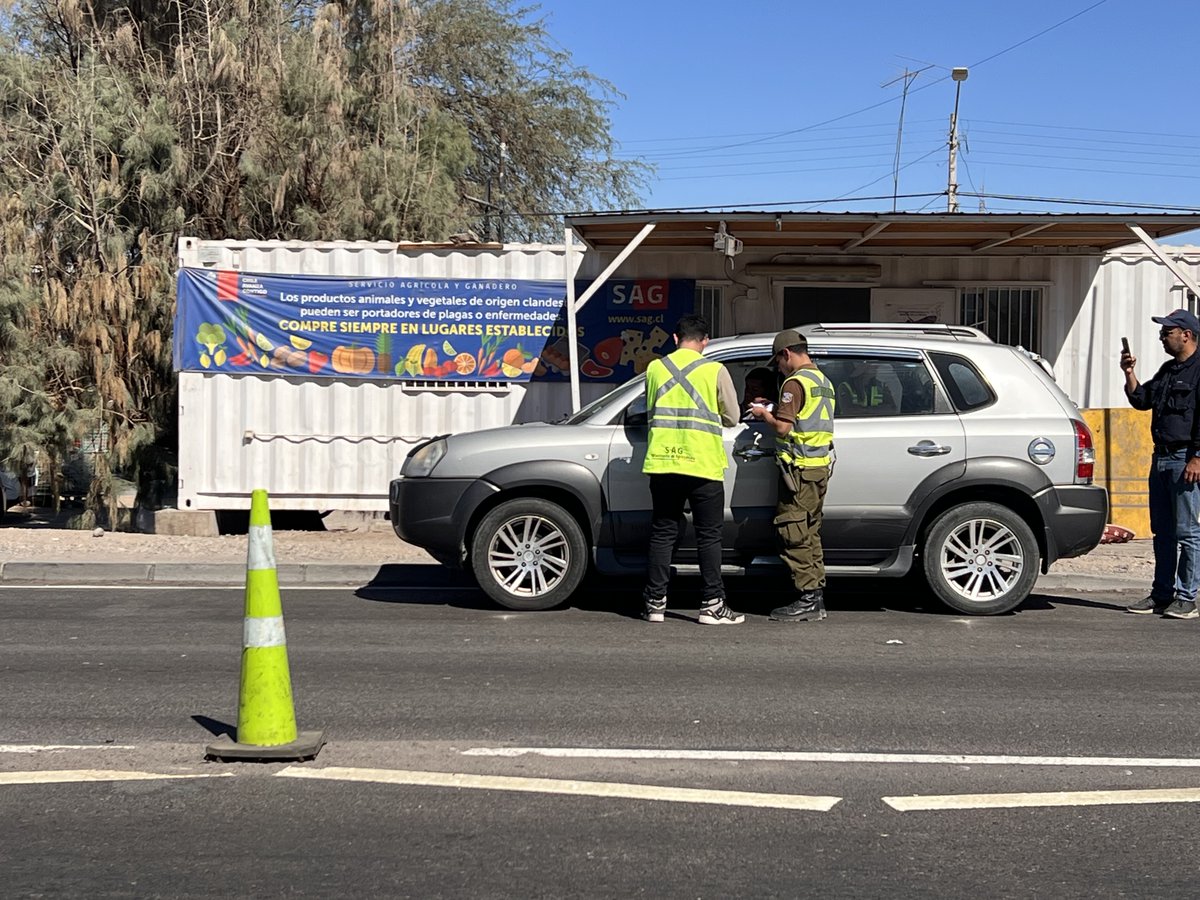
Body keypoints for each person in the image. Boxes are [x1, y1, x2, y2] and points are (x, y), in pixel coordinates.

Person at [641, 314, 744, 625]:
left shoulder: (654, 368)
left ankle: (655, 603)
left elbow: (650, 409)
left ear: (675, 338)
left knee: (663, 533)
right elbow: (733, 416)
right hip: (703, 464)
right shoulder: (715, 370)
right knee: (709, 536)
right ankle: (712, 604)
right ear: (705, 341)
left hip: (663, 462)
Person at [749, 329, 836, 622]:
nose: (778, 367)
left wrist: (764, 414)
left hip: (797, 470)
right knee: (810, 531)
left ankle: (808, 597)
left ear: (786, 354)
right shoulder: (822, 381)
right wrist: (777, 408)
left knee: (793, 531)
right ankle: (816, 596)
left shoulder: (794, 382)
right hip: (818, 468)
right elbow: (806, 418)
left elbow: (784, 428)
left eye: (778, 361)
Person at [1122, 308, 1200, 619]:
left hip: (1185, 460)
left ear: (1186, 335)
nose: (1161, 338)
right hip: (1162, 458)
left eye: (1167, 332)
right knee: (1163, 532)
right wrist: (1129, 373)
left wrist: (1197, 457)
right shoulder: (1168, 370)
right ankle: (1162, 594)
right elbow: (1142, 400)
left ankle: (1186, 598)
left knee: (1187, 532)